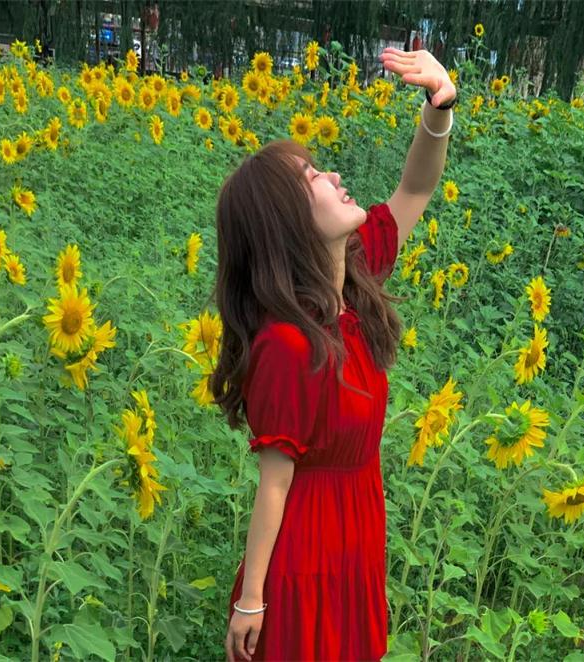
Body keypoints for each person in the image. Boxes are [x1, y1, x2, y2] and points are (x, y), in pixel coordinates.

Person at [213, 47, 458, 661]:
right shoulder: (287, 342)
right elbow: (275, 481)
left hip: (357, 539)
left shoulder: (357, 278)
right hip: (306, 555)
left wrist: (440, 106)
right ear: (286, 224)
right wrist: (252, 599)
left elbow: (416, 187)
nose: (333, 177)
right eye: (312, 178)